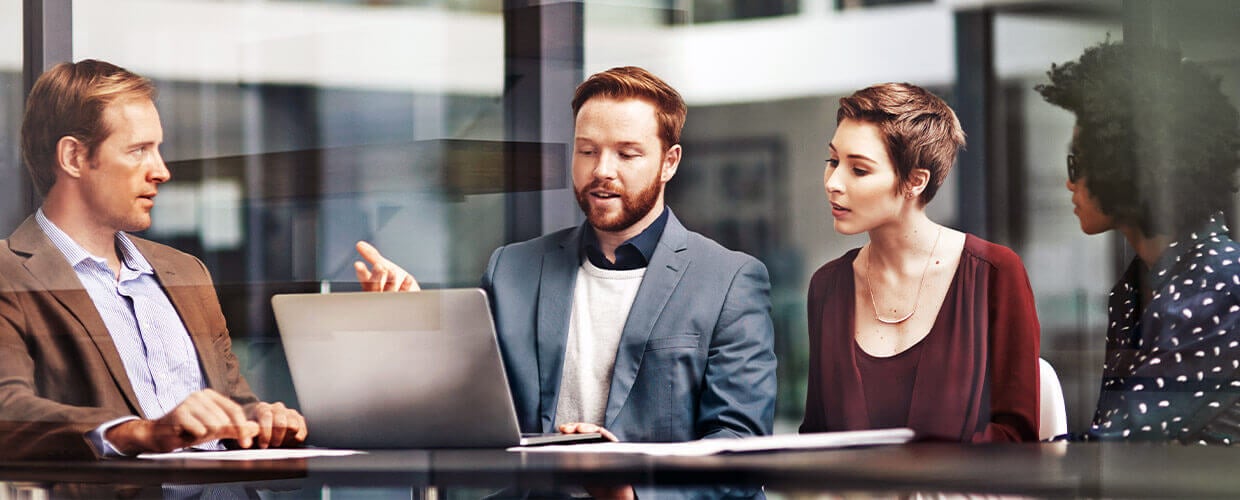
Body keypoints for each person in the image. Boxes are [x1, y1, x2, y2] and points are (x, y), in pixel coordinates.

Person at [355, 66, 778, 444]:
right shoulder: (511, 270)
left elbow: (737, 444)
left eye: (627, 154)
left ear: (669, 162)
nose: (601, 171)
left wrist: (627, 490)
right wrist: (409, 327)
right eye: (587, 150)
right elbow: (459, 409)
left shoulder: (728, 280)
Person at [0, 59, 307, 460]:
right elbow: (8, 410)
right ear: (74, 157)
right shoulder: (9, 272)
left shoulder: (185, 272)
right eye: (139, 150)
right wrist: (137, 433)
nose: (161, 171)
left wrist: (263, 421)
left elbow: (234, 404)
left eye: (157, 149)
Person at [800, 83, 1040, 442]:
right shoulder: (827, 286)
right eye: (833, 161)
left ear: (915, 181)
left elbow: (1015, 435)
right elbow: (816, 436)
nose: (833, 182)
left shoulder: (994, 274)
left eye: (859, 170)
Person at [1037, 41, 1240, 444]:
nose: (1069, 182)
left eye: (1077, 162)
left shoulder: (1216, 286)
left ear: (1125, 164)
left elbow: (1120, 449)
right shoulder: (1140, 286)